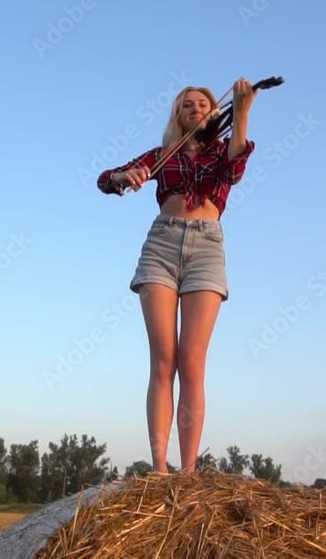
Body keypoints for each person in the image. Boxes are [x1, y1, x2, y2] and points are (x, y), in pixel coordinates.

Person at [96, 78, 257, 474]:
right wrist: (125, 177)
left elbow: (234, 169)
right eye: (188, 105)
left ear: (213, 112)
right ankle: (159, 470)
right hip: (162, 245)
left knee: (192, 362)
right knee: (163, 361)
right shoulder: (162, 154)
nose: (196, 109)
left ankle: (187, 475)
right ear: (178, 115)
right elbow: (105, 179)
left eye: (203, 104)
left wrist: (243, 111)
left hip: (206, 248)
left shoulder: (222, 151)